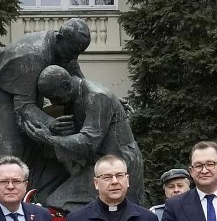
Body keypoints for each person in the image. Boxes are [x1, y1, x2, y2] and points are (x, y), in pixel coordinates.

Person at [0, 18, 92, 211]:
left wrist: (105, 98)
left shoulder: (66, 49)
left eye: (77, 53)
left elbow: (81, 84)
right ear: (59, 38)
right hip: (7, 112)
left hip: (34, 111)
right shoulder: (32, 55)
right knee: (2, 171)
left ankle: (44, 217)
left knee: (46, 168)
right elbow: (24, 107)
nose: (72, 58)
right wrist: (52, 124)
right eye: (71, 52)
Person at [20, 66, 145, 209]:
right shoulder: (74, 96)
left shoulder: (97, 97)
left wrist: (49, 139)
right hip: (98, 162)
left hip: (119, 162)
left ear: (67, 85)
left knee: (61, 202)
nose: (55, 103)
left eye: (55, 97)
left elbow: (88, 143)